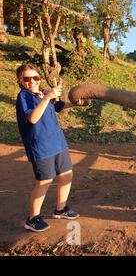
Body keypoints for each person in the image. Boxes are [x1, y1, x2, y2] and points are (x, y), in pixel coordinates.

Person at [15, 63, 80, 232]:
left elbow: (57, 106)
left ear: (39, 78)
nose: (32, 82)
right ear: (20, 80)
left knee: (66, 175)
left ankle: (61, 209)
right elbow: (33, 119)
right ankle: (32, 218)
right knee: (44, 181)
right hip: (40, 146)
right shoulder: (24, 97)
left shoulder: (43, 92)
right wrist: (46, 98)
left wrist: (75, 104)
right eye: (27, 79)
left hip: (58, 142)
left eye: (35, 78)